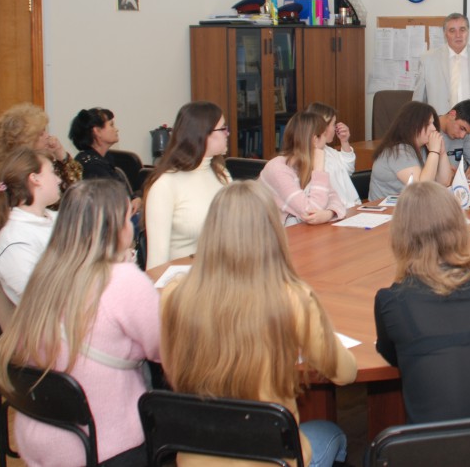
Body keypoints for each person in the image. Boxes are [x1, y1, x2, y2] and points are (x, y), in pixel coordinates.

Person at [161, 181, 357, 467]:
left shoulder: (174, 295)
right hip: (273, 458)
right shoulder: (292, 298)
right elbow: (345, 374)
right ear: (272, 233)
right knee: (332, 433)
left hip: (195, 457)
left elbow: (172, 370)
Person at [0, 178, 159, 465]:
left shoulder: (44, 274)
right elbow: (165, 351)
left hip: (41, 437)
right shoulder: (123, 280)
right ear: (117, 227)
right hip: (103, 443)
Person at [374, 182, 470, 423]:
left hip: (430, 444)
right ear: (459, 227)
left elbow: (394, 357)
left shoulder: (393, 301)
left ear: (400, 237)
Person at [0, 147, 60, 304]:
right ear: (35, 179)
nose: (58, 180)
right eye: (52, 172)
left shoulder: (54, 218)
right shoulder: (15, 242)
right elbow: (44, 300)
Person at [144, 101, 231, 268]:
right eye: (222, 129)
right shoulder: (165, 185)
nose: (227, 133)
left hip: (222, 274)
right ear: (202, 134)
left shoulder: (221, 174)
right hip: (184, 279)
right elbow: (156, 262)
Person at [0, 103, 82, 217]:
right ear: (25, 140)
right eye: (41, 134)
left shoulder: (42, 164)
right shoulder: (4, 175)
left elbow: (77, 193)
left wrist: (61, 155)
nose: (47, 136)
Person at [412, 12, 470, 120]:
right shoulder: (427, 60)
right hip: (442, 127)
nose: (458, 35)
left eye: (462, 30)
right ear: (445, 34)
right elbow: (417, 104)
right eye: (452, 31)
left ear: (468, 32)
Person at [259, 111, 347, 226]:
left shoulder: (307, 164)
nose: (326, 141)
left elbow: (336, 200)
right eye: (324, 135)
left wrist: (328, 214)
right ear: (315, 140)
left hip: (297, 230)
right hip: (271, 235)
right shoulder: (277, 169)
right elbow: (311, 211)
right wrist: (318, 170)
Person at [368, 101, 452, 201]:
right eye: (427, 124)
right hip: (387, 209)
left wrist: (442, 152)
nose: (434, 128)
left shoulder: (424, 147)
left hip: (411, 206)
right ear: (412, 126)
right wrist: (434, 151)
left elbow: (444, 182)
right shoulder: (398, 151)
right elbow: (421, 189)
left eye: (433, 123)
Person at [68, 107, 143, 213]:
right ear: (97, 131)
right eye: (111, 125)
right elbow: (113, 204)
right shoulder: (92, 166)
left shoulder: (104, 158)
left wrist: (136, 199)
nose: (116, 129)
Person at [305, 102, 362, 207]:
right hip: (335, 211)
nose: (336, 128)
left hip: (350, 208)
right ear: (323, 127)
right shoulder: (309, 157)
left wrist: (344, 141)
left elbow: (348, 169)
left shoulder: (328, 150)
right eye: (333, 124)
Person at [438, 99, 470, 179]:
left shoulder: (464, 136)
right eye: (462, 128)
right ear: (452, 114)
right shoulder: (427, 130)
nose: (462, 136)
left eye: (467, 133)